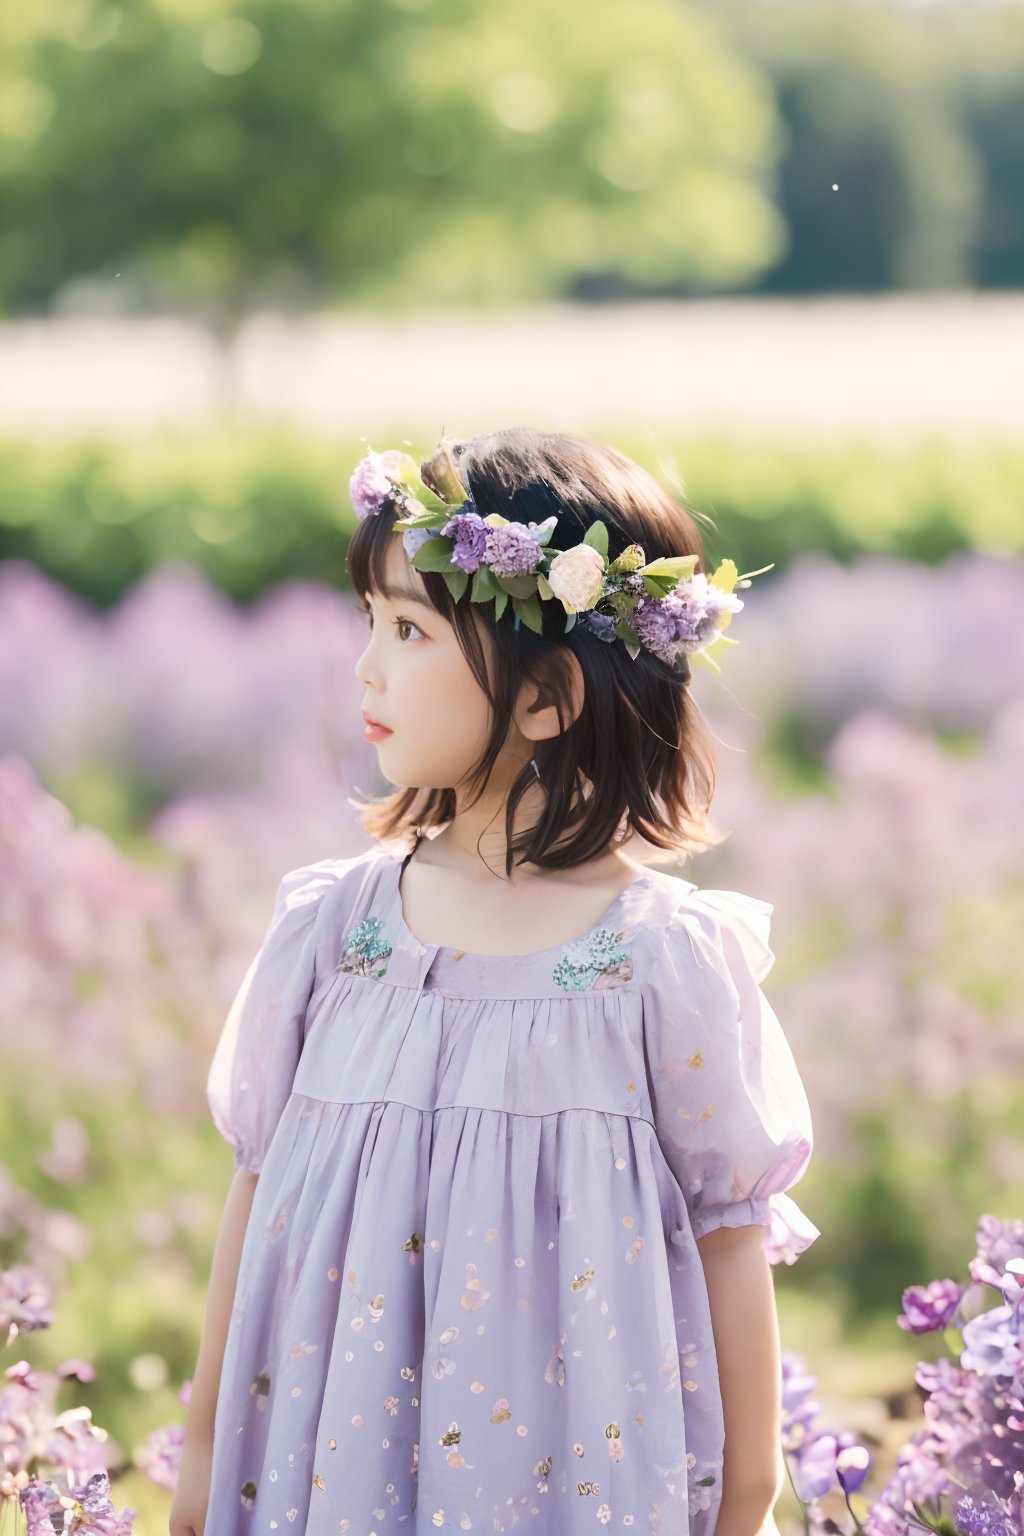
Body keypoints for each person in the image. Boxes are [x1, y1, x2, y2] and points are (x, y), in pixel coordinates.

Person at [170, 428, 819, 1536]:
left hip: (568, 1483)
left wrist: (745, 1496)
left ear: (547, 699)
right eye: (369, 621)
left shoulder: (658, 959)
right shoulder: (333, 930)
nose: (366, 665)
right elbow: (256, 1191)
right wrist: (200, 1462)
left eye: (411, 629)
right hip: (333, 1470)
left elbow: (727, 1230)